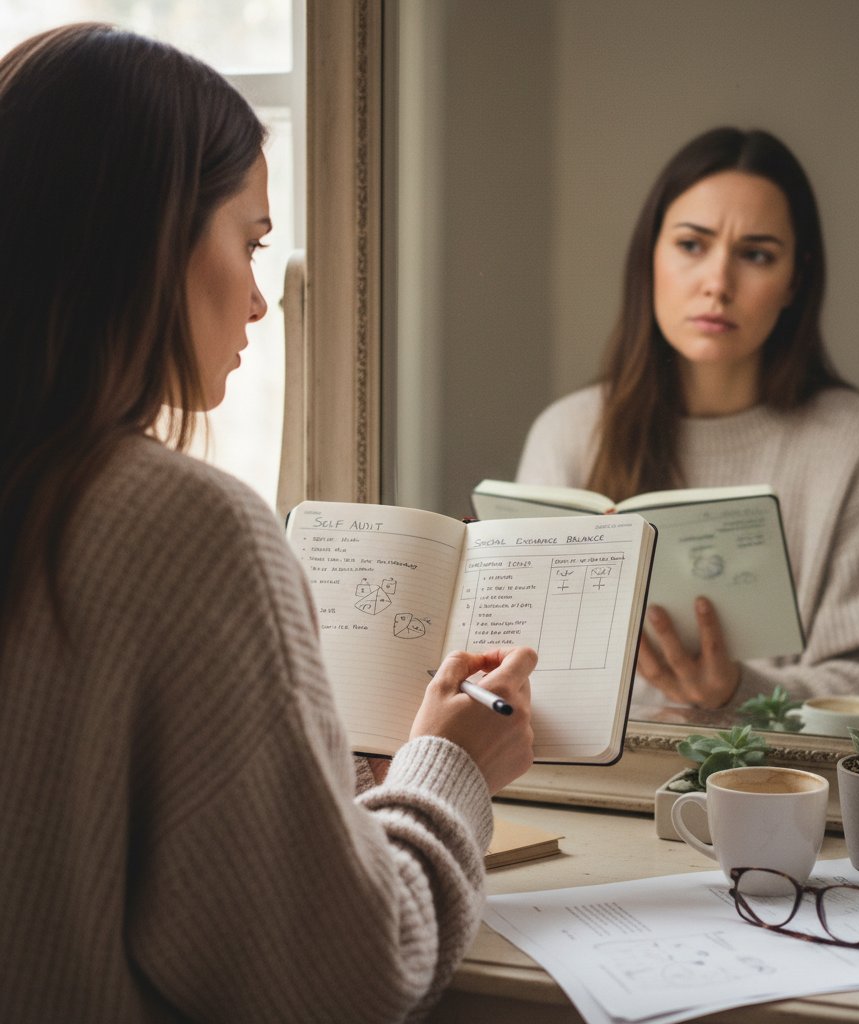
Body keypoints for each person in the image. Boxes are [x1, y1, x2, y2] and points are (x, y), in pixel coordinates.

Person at [0, 23, 535, 1023]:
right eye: (247, 242)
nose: (256, 300)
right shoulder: (180, 528)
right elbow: (344, 979)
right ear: (146, 235)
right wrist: (451, 763)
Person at [516, 126, 859, 713]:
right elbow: (531, 668)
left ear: (795, 280)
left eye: (756, 255)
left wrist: (740, 691)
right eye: (692, 245)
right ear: (650, 256)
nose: (718, 283)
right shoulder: (568, 434)